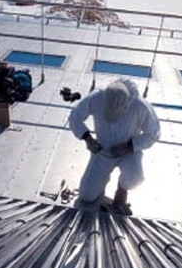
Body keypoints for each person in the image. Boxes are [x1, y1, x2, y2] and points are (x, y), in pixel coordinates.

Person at [68, 77, 160, 214]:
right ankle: (100, 186)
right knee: (86, 196)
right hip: (102, 150)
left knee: (135, 177)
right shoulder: (97, 97)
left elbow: (153, 134)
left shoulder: (141, 107)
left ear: (127, 105)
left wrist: (128, 146)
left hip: (128, 150)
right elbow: (75, 115)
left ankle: (121, 191)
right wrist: (88, 139)